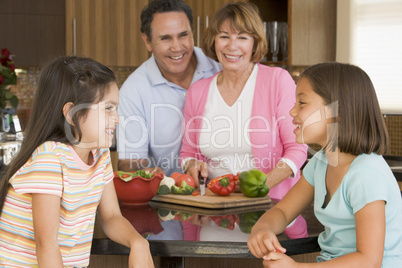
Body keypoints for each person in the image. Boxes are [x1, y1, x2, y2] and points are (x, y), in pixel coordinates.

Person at [0, 56, 154, 267]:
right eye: (108, 108)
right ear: (71, 114)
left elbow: (110, 217)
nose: (117, 118)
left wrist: (138, 243)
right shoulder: (50, 160)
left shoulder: (100, 154)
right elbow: (47, 246)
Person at [247, 62, 402, 267]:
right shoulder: (320, 163)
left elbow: (369, 260)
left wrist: (296, 267)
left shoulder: (366, 174)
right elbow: (282, 212)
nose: (292, 111)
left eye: (302, 103)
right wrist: (262, 230)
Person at [179, 2, 308, 200]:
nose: (232, 45)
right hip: (213, 209)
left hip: (269, 207)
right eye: (224, 36)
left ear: (254, 42)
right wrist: (191, 165)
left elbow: (297, 149)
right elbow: (187, 153)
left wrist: (261, 186)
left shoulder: (277, 81)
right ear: (214, 40)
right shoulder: (197, 91)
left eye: (242, 37)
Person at [117, 0, 221, 176]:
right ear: (147, 41)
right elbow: (130, 160)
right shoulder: (133, 91)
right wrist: (149, 173)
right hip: (170, 194)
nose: (177, 47)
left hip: (228, 190)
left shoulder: (219, 67)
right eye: (165, 38)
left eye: (183, 35)